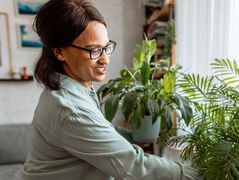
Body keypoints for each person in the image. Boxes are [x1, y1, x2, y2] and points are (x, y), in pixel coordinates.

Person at [22, 0, 200, 179]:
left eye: (106, 47)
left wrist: (129, 136)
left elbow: (95, 131)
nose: (105, 60)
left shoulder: (75, 88)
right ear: (60, 52)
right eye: (94, 50)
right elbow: (132, 165)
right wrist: (195, 175)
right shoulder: (69, 109)